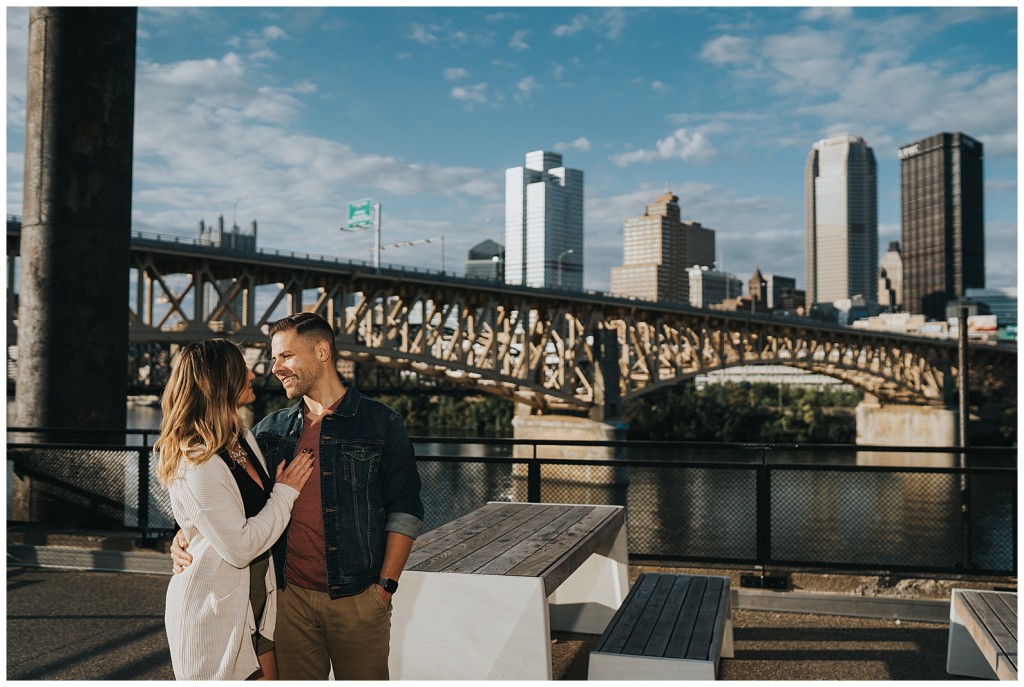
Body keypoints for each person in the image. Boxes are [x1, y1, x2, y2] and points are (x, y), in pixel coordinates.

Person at [171, 313, 424, 680]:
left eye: (285, 356)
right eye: (274, 359)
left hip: (358, 598)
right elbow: (223, 500)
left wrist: (383, 590)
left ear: (321, 351)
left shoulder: (381, 423)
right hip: (286, 602)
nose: (275, 368)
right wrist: (182, 535)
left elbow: (406, 509)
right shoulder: (270, 430)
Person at [157, 338, 316, 680]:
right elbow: (240, 547)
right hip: (213, 616)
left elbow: (215, 519)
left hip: (256, 608)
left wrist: (184, 534)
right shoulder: (196, 461)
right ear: (219, 381)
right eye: (241, 367)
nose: (252, 372)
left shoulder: (241, 436)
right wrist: (286, 492)